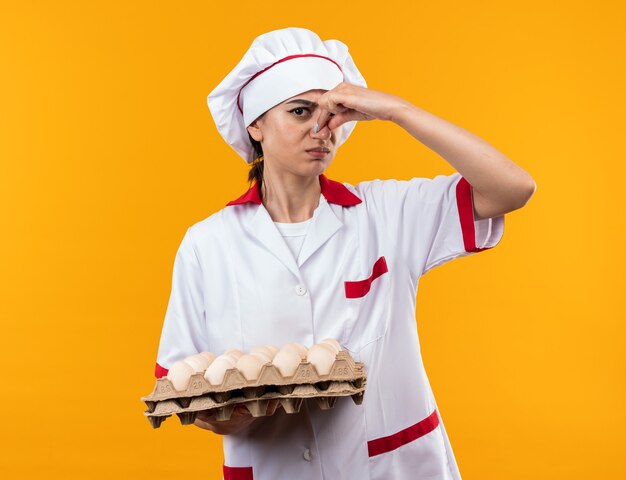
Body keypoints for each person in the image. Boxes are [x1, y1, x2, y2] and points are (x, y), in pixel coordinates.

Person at [153, 27, 536, 480]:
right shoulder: (206, 244)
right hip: (275, 465)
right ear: (255, 125)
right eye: (300, 111)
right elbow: (181, 380)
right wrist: (223, 418)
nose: (322, 129)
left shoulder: (386, 213)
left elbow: (513, 187)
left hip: (392, 466)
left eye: (333, 114)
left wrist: (397, 110)